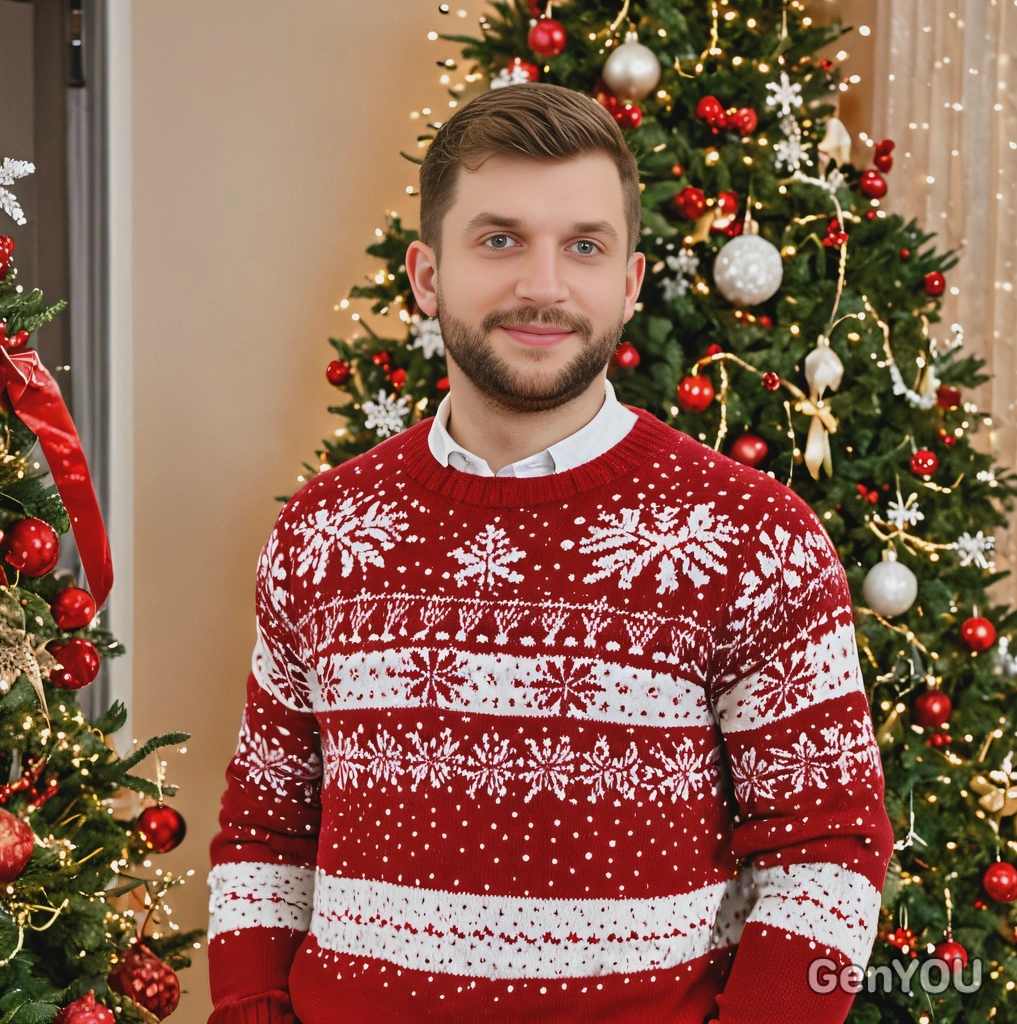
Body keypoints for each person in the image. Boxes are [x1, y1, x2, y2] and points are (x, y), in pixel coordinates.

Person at [207, 81, 894, 1024]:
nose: (543, 285)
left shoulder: (754, 538)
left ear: (630, 281)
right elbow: (266, 825)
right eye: (499, 240)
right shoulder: (324, 531)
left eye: (584, 245)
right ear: (425, 275)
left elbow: (828, 849)